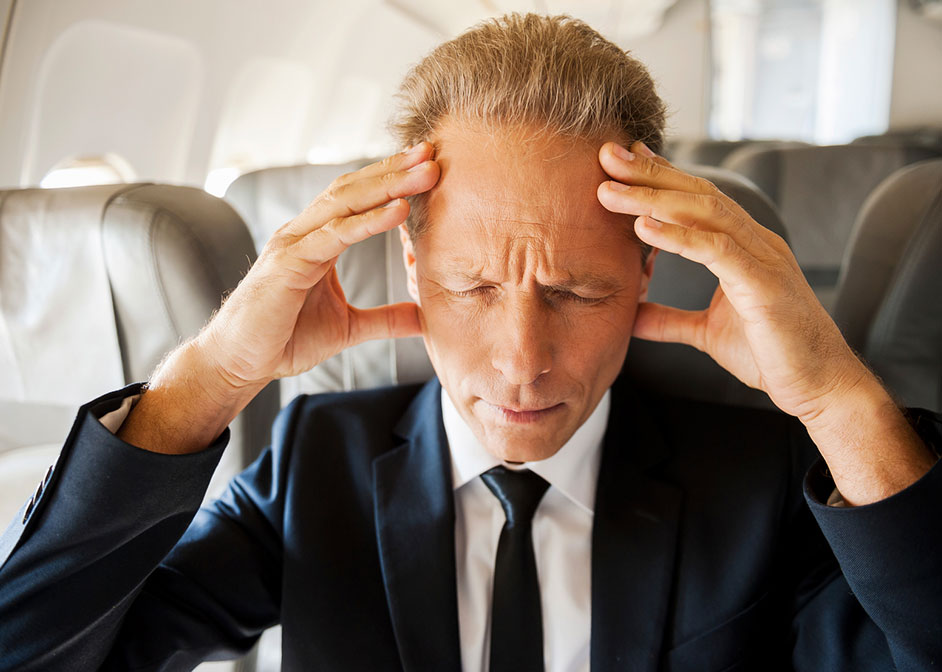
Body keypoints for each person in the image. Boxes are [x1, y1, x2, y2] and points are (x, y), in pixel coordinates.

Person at [1, 13, 940, 672]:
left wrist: (837, 402)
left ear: (649, 271)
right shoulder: (311, 466)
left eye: (577, 289)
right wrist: (210, 377)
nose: (521, 361)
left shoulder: (761, 479)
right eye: (470, 287)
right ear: (410, 266)